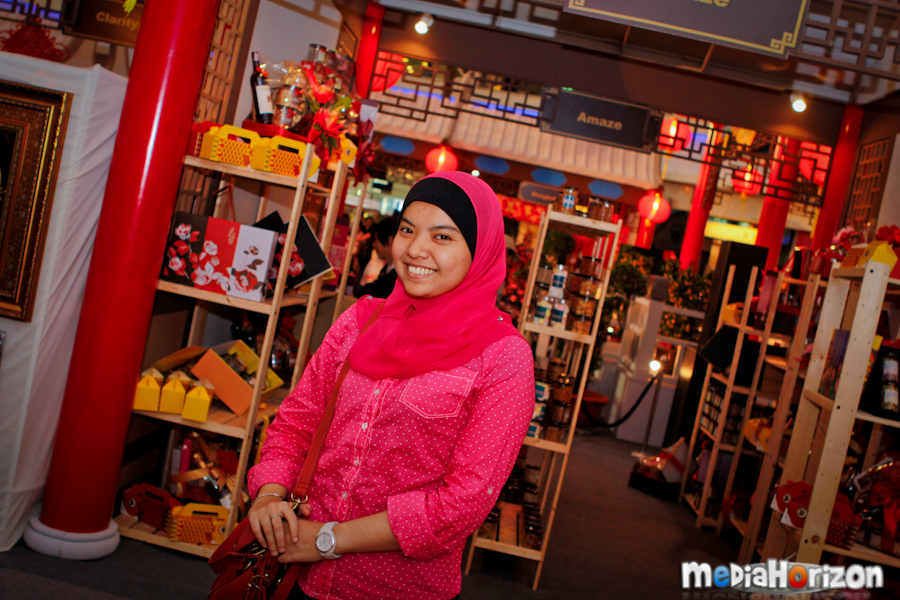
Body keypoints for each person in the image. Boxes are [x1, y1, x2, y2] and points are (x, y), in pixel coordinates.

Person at [246, 171, 535, 600]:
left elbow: (462, 504)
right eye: (407, 230)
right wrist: (269, 496)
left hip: (397, 588)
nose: (415, 249)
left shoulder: (502, 357)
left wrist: (327, 539)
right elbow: (297, 423)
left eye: (442, 237)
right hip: (296, 575)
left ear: (480, 253)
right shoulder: (361, 320)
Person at [353, 216, 398, 299]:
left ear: (389, 240)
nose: (374, 245)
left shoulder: (398, 276)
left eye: (376, 240)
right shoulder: (388, 269)